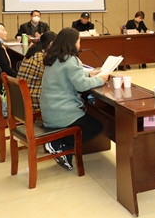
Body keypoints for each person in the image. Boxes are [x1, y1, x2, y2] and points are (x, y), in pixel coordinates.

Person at [40, 27, 109, 171]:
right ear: (72, 43)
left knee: (90, 120)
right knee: (98, 126)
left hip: (49, 111)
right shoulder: (71, 60)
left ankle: (58, 143)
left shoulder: (52, 58)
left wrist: (89, 73)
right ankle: (61, 145)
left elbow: (66, 73)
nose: (79, 44)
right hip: (62, 114)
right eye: (79, 41)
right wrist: (101, 79)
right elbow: (82, 85)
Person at [17, 31, 57, 112]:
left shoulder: (32, 53)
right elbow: (53, 78)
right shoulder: (41, 58)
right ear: (51, 44)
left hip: (21, 97)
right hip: (32, 99)